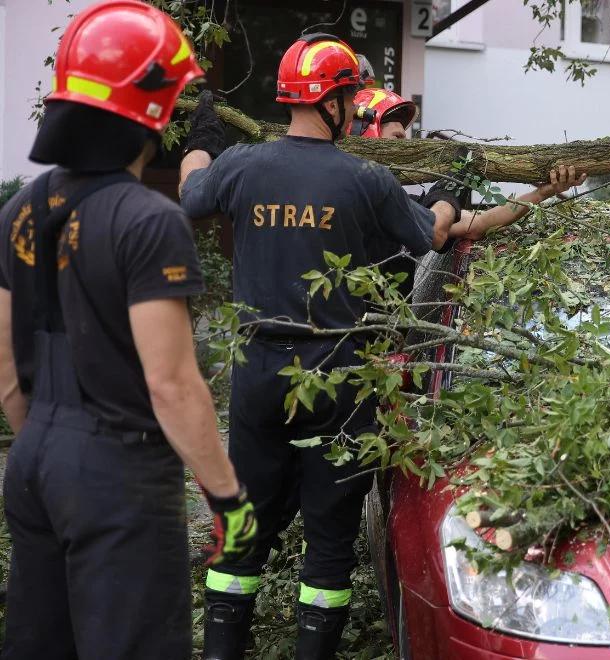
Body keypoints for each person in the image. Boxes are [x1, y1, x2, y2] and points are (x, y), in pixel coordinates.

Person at [178, 35, 459, 659]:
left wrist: (203, 136)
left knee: (242, 531)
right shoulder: (367, 178)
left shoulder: (243, 164)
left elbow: (191, 191)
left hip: (258, 374)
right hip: (342, 375)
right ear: (335, 101)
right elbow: (434, 235)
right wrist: (448, 187)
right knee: (328, 542)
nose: (356, 106)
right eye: (351, 95)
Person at [0, 2, 257, 658]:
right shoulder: (148, 220)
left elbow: (5, 369)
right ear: (155, 108)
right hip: (119, 477)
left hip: (33, 464)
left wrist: (51, 451)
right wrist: (227, 497)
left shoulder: (19, 212)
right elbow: (171, 383)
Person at [349, 86, 588, 289]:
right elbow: (438, 230)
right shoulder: (345, 199)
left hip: (391, 342)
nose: (406, 147)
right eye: (397, 139)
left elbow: (479, 223)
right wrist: (448, 190)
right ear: (368, 137)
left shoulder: (404, 206)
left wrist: (541, 193)